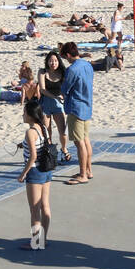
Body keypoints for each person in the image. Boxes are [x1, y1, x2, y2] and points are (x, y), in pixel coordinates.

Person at [16, 98, 55, 249]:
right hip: (46, 170)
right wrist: (23, 144)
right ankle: (43, 239)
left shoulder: (30, 132)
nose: (23, 115)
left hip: (34, 171)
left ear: (30, 115)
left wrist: (23, 174)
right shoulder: (43, 127)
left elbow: (32, 156)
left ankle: (35, 242)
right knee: (45, 206)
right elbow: (43, 145)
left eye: (24, 112)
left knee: (34, 210)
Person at [58, 41, 94, 185]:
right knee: (86, 140)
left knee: (79, 143)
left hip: (75, 107)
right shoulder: (88, 65)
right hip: (87, 105)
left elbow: (65, 89)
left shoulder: (72, 69)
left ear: (68, 55)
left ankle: (83, 174)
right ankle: (88, 170)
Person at [38, 52, 72, 163]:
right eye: (51, 61)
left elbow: (68, 86)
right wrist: (55, 97)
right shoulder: (42, 72)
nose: (53, 63)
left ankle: (64, 149)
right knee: (47, 132)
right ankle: (50, 151)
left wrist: (63, 96)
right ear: (47, 62)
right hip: (45, 104)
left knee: (62, 131)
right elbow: (42, 89)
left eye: (56, 61)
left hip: (59, 106)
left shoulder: (63, 72)